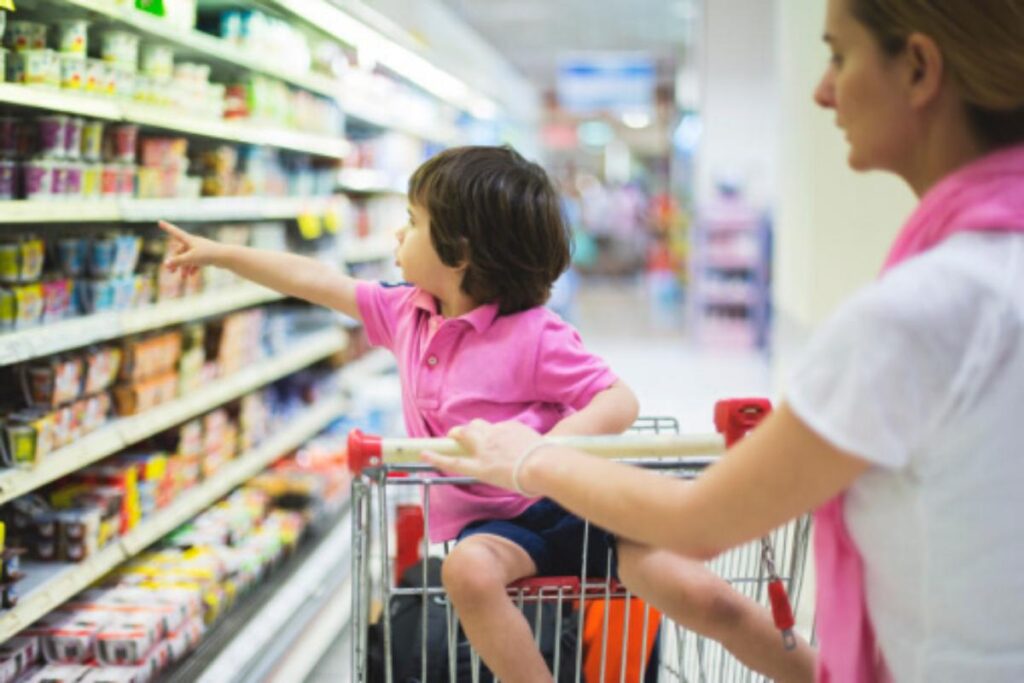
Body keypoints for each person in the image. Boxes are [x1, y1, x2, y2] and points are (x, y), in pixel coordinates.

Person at [423, 2, 1024, 682]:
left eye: (838, 55)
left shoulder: (919, 311)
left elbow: (699, 521)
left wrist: (530, 457)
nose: (822, 90)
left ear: (917, 68)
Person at [158, 146, 814, 682]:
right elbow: (312, 279)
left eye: (411, 221)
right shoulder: (401, 313)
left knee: (700, 595)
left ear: (460, 250)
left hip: (585, 504)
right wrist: (220, 254)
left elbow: (619, 401)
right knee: (464, 570)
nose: (397, 233)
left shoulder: (532, 332)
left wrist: (539, 457)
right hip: (502, 532)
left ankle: (815, 673)